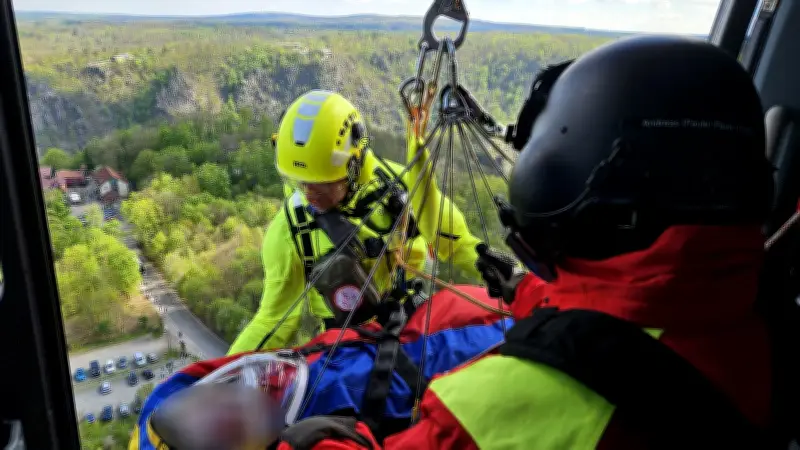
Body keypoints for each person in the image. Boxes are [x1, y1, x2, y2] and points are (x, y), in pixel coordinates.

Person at [275, 35, 776, 449]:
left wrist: (310, 440)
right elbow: (619, 316)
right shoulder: (761, 324)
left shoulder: (497, 407)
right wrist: (524, 290)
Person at [228, 90, 482, 354]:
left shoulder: (402, 187)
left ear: (352, 164)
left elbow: (457, 244)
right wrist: (217, 372)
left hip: (414, 325)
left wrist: (503, 275)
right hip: (347, 347)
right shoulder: (289, 231)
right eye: (301, 183)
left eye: (323, 185)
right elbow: (272, 321)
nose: (309, 194)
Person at [129, 285, 512, 449]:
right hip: (449, 375)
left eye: (223, 393)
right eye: (231, 424)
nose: (239, 401)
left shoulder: (169, 404)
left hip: (417, 331)